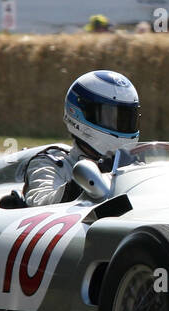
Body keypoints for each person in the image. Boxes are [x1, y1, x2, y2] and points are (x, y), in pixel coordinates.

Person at [23, 69, 140, 207]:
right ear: (79, 114)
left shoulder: (132, 167)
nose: (121, 126)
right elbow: (39, 202)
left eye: (126, 119)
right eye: (110, 117)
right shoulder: (52, 164)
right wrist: (88, 179)